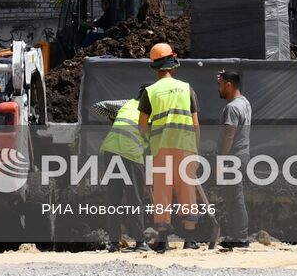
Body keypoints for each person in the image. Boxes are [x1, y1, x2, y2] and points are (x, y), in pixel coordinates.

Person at [136, 42, 204, 252]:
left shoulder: (150, 91)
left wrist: (153, 137)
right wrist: (196, 151)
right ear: (173, 65)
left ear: (155, 68)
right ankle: (190, 239)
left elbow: (142, 126)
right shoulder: (186, 88)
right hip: (186, 146)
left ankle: (163, 241)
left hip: (161, 148)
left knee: (162, 192)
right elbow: (195, 124)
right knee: (187, 191)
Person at [98, 98, 147, 252]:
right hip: (130, 153)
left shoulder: (127, 103)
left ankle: (114, 243)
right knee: (135, 199)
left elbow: (99, 105)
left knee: (114, 199)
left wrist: (113, 119)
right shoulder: (153, 107)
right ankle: (140, 242)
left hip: (111, 150)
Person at [216, 70, 251, 248]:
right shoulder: (244, 102)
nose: (218, 88)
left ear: (228, 85)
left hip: (232, 157)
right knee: (234, 196)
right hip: (242, 155)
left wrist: (221, 160)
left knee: (235, 197)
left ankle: (241, 238)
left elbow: (229, 135)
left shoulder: (232, 108)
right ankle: (237, 235)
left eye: (220, 84)